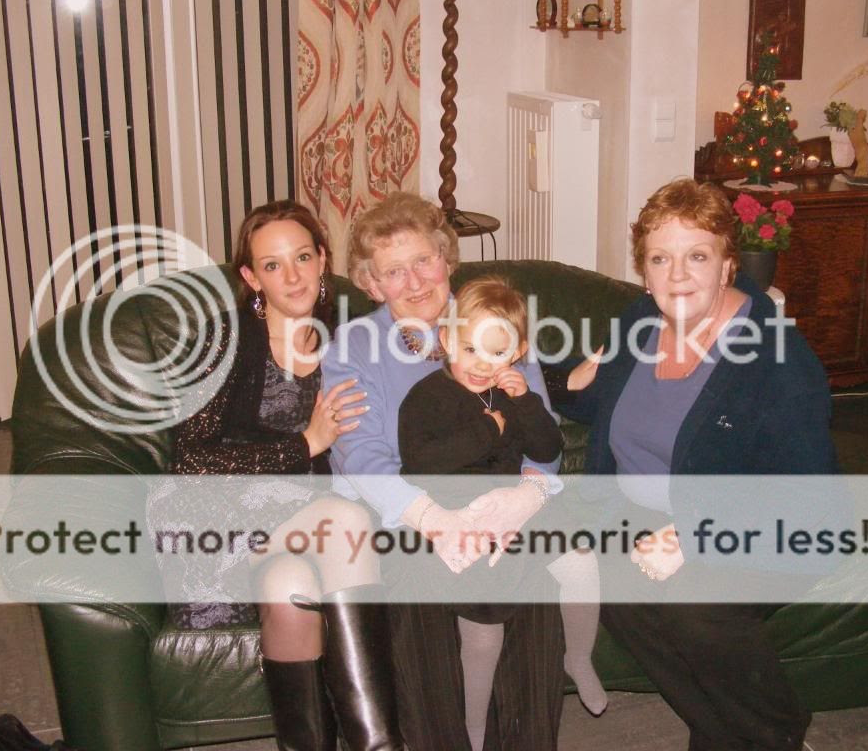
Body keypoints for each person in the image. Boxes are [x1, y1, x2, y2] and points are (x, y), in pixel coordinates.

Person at [551, 178, 838, 750]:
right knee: (613, 586)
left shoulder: (776, 358)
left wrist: (694, 534)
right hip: (638, 517)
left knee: (692, 607)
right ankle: (730, 735)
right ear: (645, 271)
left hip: (762, 524)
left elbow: (807, 495)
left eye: (697, 256)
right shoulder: (639, 320)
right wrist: (562, 378)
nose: (678, 275)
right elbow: (596, 397)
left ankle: (778, 733)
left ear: (728, 265)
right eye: (661, 258)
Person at [146, 200, 404, 751]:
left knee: (291, 591)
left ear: (323, 260)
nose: (292, 276)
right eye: (272, 265)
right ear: (251, 277)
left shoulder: (350, 339)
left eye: (303, 257)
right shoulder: (223, 340)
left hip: (298, 527)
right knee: (342, 522)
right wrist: (305, 444)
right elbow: (190, 461)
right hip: (214, 521)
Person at [322, 192, 567, 751]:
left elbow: (541, 428)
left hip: (497, 497)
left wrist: (526, 497)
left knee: (533, 567)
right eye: (393, 271)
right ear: (371, 284)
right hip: (404, 508)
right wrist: (432, 518)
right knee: (415, 577)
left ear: (447, 259)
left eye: (423, 261)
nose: (413, 282)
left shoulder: (494, 320)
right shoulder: (354, 347)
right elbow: (360, 455)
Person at [397, 275, 607, 749]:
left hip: (515, 508)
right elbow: (419, 463)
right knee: (484, 632)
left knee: (580, 559)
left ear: (517, 353)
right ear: (446, 339)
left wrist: (526, 402)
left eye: (497, 353)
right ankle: (473, 730)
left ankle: (578, 657)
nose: (480, 364)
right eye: (469, 349)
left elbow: (548, 448)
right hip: (458, 516)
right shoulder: (427, 397)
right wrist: (487, 432)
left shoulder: (513, 394)